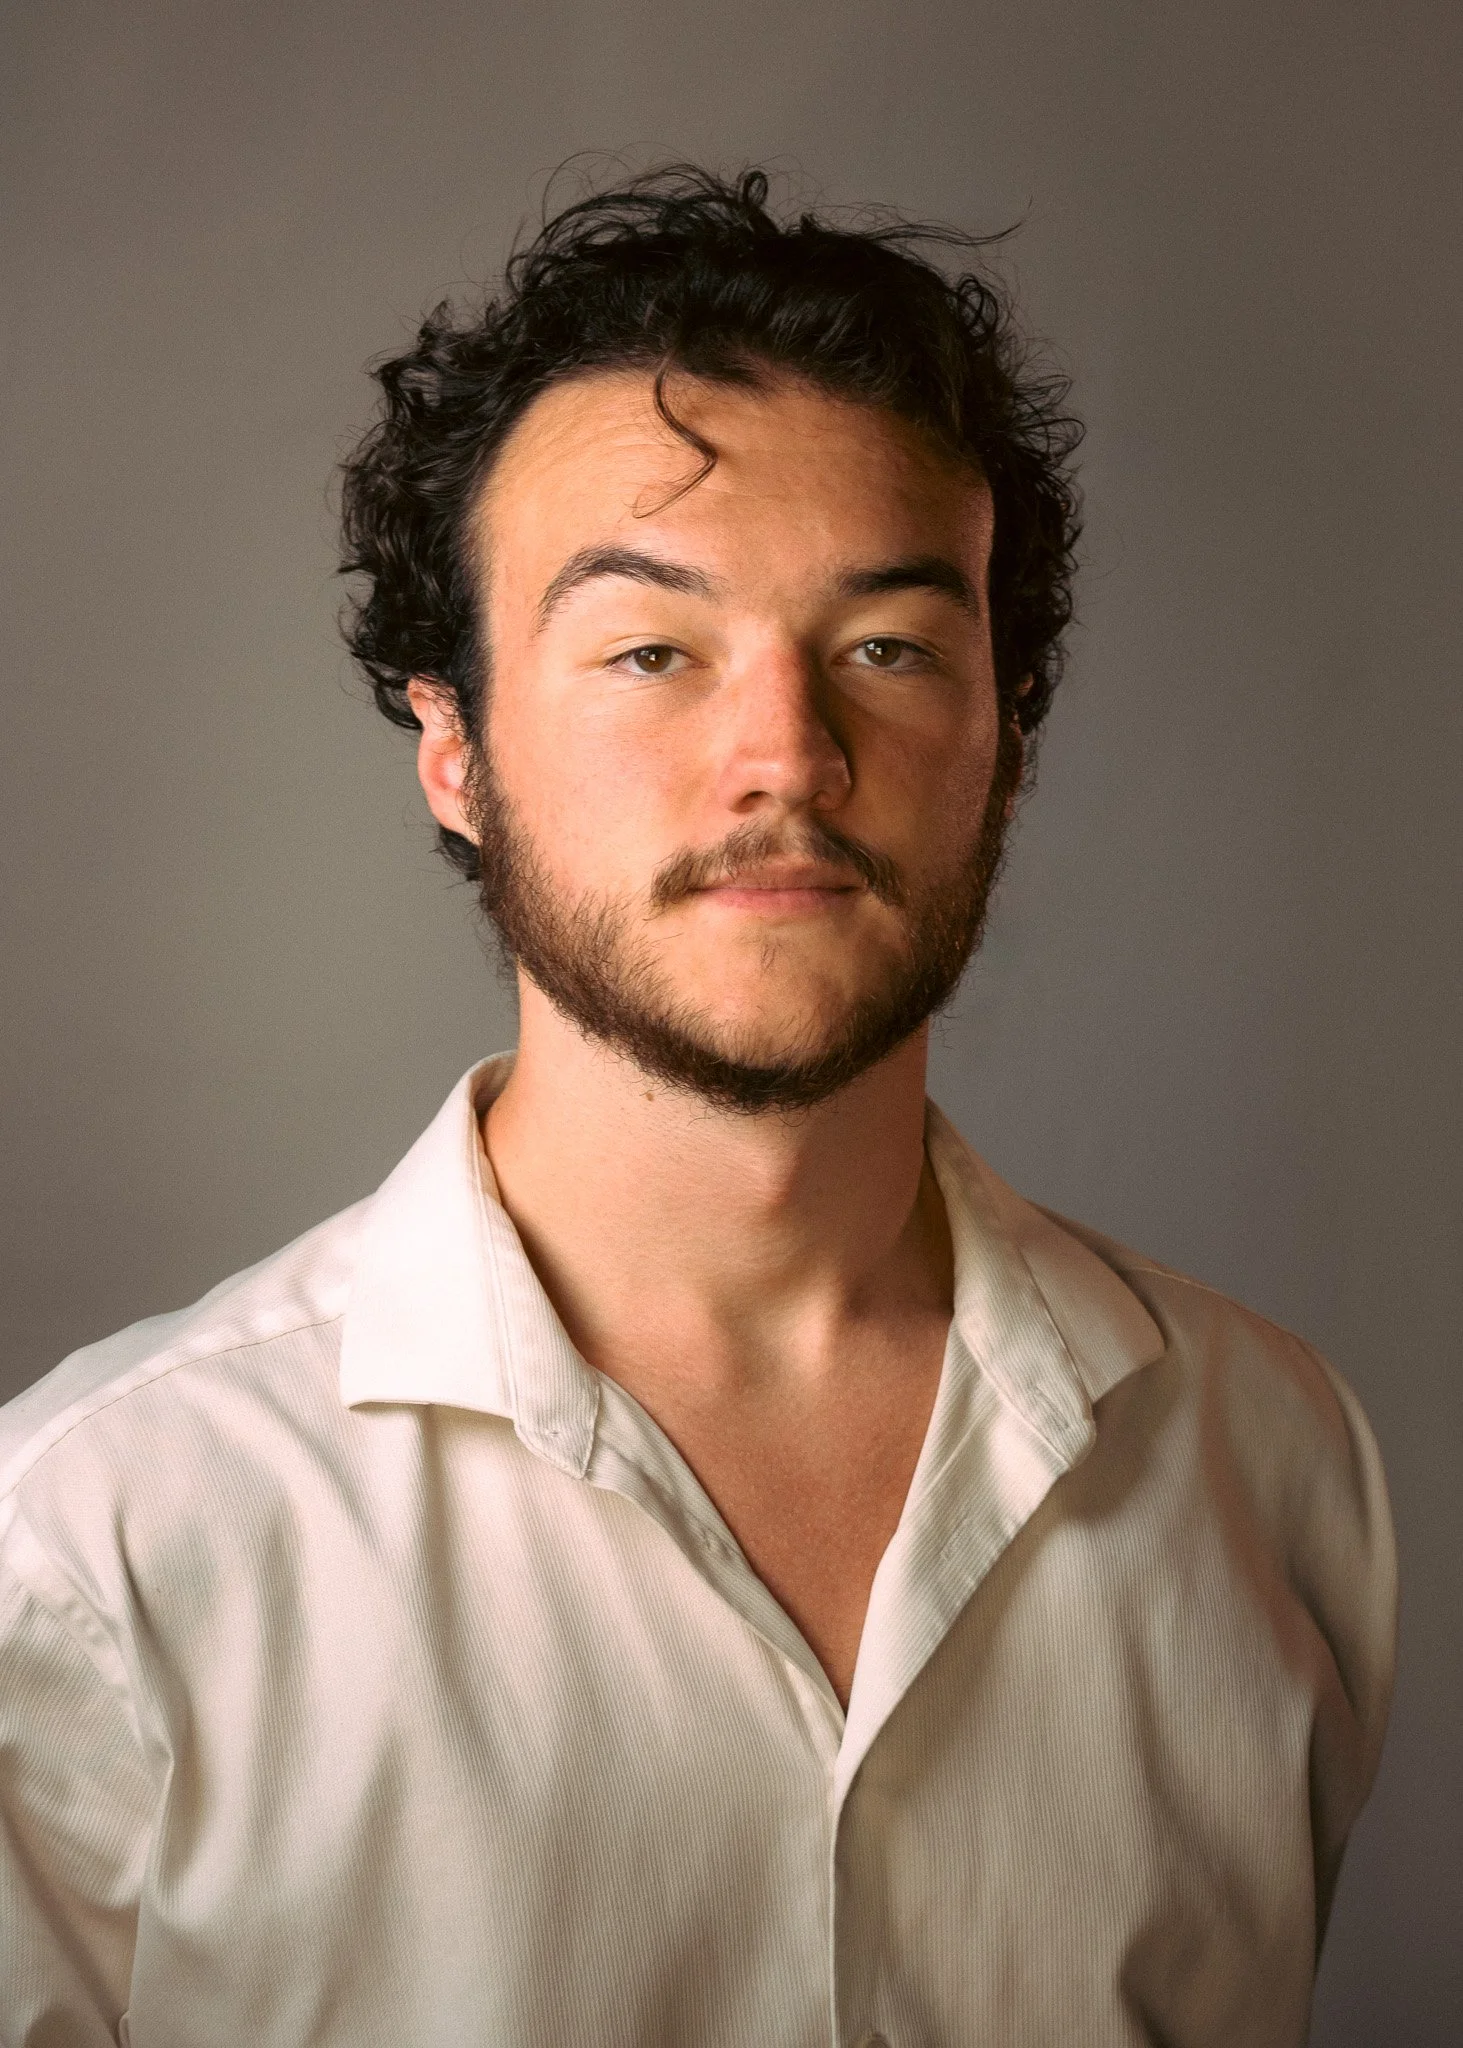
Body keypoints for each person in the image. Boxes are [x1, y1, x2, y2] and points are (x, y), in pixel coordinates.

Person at [0, 168, 1395, 2048]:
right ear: (453, 749)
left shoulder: (1270, 1465)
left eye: (887, 648)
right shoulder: (92, 1550)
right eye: (652, 650)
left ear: (1004, 738)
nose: (787, 757)